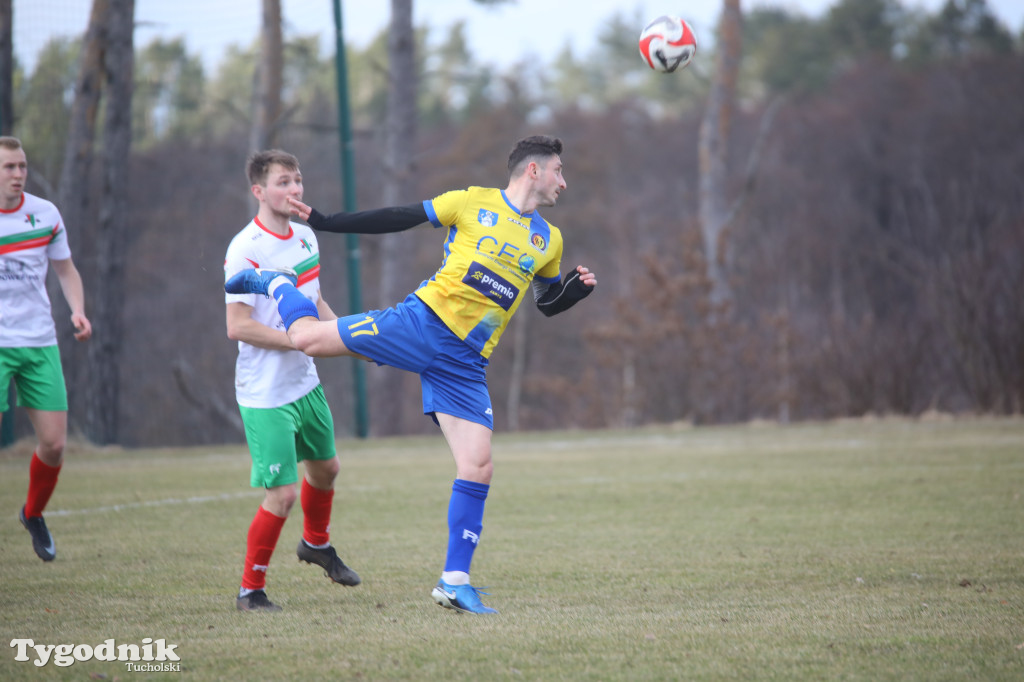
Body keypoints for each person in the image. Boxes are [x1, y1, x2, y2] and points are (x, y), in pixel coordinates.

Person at [226, 135, 596, 614]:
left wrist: (572, 294)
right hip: (421, 325)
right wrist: (324, 221)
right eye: (559, 171)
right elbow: (399, 217)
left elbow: (546, 302)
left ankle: (454, 581)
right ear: (533, 171)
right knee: (308, 338)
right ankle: (278, 283)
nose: (563, 182)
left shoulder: (549, 239)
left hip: (466, 362)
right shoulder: (472, 202)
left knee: (478, 464)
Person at [224, 149, 360, 613]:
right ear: (258, 191)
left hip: (306, 383)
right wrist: (299, 339)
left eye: (298, 180)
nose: (295, 190)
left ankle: (316, 544)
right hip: (265, 395)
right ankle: (250, 591)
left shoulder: (305, 237)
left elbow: (314, 301)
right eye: (283, 182)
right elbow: (238, 326)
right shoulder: (246, 248)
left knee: (327, 470)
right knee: (281, 495)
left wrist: (343, 334)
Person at [0, 136, 92, 562]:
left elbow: (66, 270)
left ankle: (32, 513)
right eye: (9, 168)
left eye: (21, 166)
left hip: (39, 342)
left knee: (54, 444)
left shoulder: (45, 214)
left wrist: (78, 310)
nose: (18, 174)